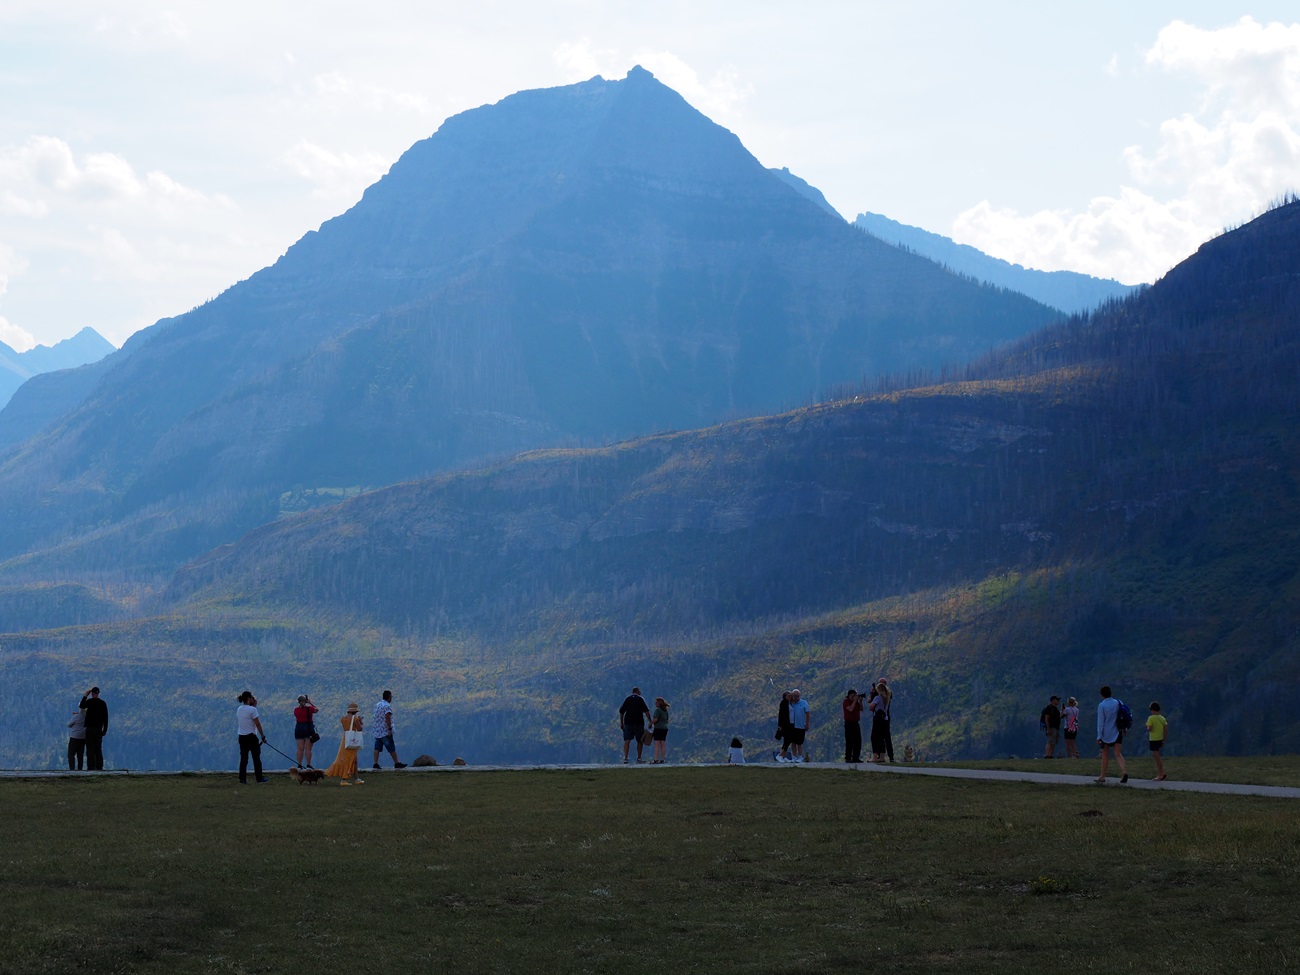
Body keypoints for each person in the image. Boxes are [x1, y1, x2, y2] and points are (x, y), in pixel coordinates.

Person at [326, 702, 366, 786]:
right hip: (353, 740)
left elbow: (346, 728)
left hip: (346, 739)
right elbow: (359, 729)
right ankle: (344, 779)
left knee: (351, 759)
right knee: (350, 759)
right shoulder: (355, 718)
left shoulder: (343, 718)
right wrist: (361, 722)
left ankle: (355, 778)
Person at [1095, 685, 1129, 784]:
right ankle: (1124, 772)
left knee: (1105, 755)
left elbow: (1100, 722)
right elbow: (1123, 716)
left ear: (1102, 695)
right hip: (1118, 731)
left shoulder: (1102, 705)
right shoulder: (1118, 702)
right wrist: (1124, 728)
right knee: (1118, 754)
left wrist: (1098, 736)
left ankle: (1102, 776)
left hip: (1106, 733)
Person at [236, 690, 269, 784]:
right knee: (256, 758)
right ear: (248, 698)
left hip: (242, 736)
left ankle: (242, 779)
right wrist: (262, 736)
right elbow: (257, 724)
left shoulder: (239, 709)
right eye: (251, 697)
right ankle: (259, 778)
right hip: (251, 737)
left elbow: (246, 716)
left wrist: (253, 706)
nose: (252, 699)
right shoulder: (253, 710)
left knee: (243, 759)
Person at [371, 690, 407, 770]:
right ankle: (396, 763)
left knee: (377, 748)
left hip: (377, 730)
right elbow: (387, 717)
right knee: (391, 747)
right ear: (389, 697)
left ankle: (375, 763)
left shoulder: (378, 704)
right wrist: (389, 729)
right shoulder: (387, 706)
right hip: (385, 731)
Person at [619, 686, 651, 763]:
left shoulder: (627, 699)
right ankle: (639, 758)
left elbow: (621, 712)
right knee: (639, 740)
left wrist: (622, 723)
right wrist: (650, 721)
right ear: (638, 691)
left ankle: (626, 758)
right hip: (638, 722)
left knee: (627, 740)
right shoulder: (640, 699)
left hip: (628, 722)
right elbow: (646, 711)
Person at [79, 687, 109, 771]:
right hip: (98, 729)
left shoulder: (90, 701)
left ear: (92, 694)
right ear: (98, 693)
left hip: (90, 728)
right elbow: (105, 717)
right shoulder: (103, 703)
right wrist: (105, 729)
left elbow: (81, 705)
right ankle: (99, 767)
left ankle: (91, 767)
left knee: (90, 749)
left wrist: (85, 695)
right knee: (98, 748)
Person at [293, 694, 319, 769]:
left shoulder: (296, 710)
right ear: (305, 701)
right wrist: (310, 702)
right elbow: (316, 709)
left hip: (298, 729)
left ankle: (299, 765)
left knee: (300, 749)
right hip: (308, 729)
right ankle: (308, 764)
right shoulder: (309, 709)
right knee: (308, 748)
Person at [786, 688, 811, 762]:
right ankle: (794, 756)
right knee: (793, 742)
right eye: (794, 696)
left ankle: (800, 756)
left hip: (800, 726)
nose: (796, 698)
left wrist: (807, 724)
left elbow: (808, 714)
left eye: (797, 696)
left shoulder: (804, 703)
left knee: (799, 742)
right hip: (792, 726)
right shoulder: (790, 703)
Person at [1147, 702, 1169, 781]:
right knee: (1158, 756)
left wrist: (1148, 727)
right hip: (1160, 739)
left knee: (1157, 757)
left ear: (1152, 710)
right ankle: (1162, 772)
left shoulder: (1151, 718)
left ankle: (1160, 774)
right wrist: (1164, 740)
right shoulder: (1162, 718)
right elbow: (1166, 730)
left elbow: (1149, 728)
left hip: (1153, 739)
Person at [842, 688, 865, 763]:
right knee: (849, 741)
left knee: (858, 741)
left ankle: (856, 757)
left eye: (855, 695)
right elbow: (850, 709)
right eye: (853, 695)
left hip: (856, 723)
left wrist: (860, 702)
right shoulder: (846, 701)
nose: (854, 697)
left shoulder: (856, 702)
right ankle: (848, 757)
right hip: (849, 723)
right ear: (849, 695)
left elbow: (861, 709)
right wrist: (855, 701)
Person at [774, 691, 793, 762]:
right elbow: (781, 714)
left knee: (788, 740)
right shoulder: (783, 703)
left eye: (790, 696)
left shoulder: (790, 703)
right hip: (786, 725)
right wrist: (780, 725)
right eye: (788, 696)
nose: (790, 697)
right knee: (787, 740)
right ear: (785, 696)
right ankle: (780, 755)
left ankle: (784, 756)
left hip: (791, 724)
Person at [650, 697, 671, 764]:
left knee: (657, 744)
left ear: (659, 703)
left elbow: (656, 719)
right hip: (665, 728)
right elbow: (667, 720)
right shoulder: (665, 711)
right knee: (663, 743)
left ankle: (656, 759)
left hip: (658, 728)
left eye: (656, 702)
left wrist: (650, 723)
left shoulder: (657, 710)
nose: (655, 703)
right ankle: (662, 759)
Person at [67, 707, 87, 771]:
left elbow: (69, 725)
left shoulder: (76, 716)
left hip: (74, 737)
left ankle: (72, 769)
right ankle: (80, 769)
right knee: (80, 755)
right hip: (83, 737)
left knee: (71, 754)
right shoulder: (87, 717)